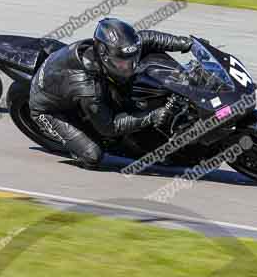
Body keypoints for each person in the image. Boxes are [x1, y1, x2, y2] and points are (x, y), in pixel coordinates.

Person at [29, 17, 193, 168]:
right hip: (48, 109)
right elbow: (110, 127)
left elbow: (146, 38)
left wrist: (185, 43)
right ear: (103, 55)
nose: (128, 66)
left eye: (131, 60)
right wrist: (152, 115)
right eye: (121, 62)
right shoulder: (88, 88)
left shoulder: (118, 48)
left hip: (61, 76)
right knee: (93, 156)